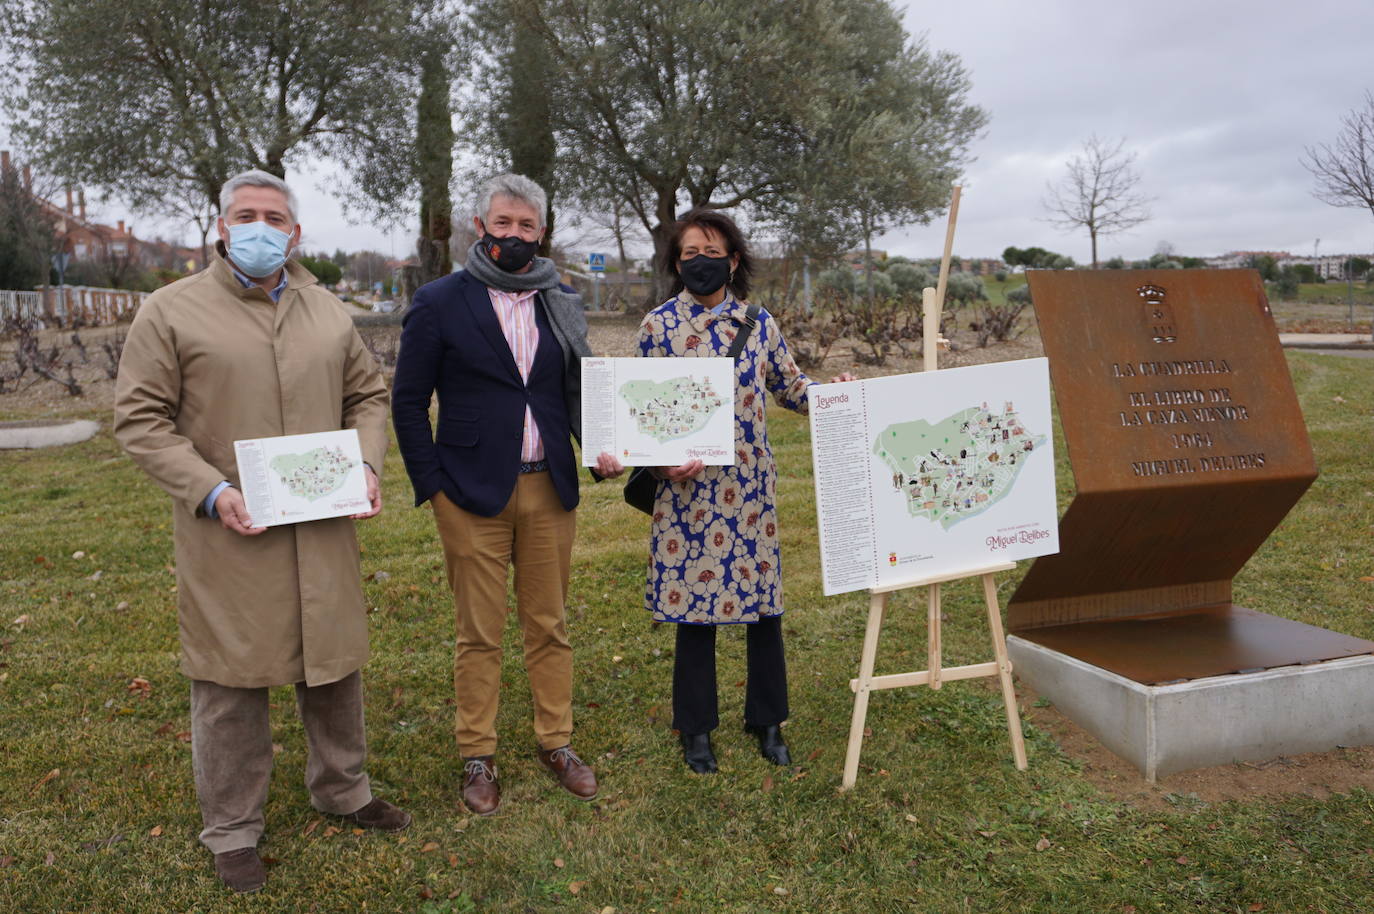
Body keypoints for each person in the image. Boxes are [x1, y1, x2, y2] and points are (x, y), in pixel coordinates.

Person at [113, 169, 409, 894]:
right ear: (221, 226)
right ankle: (233, 827)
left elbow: (366, 395)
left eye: (274, 217)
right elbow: (141, 421)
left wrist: (366, 465)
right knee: (229, 676)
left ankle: (343, 787)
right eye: (245, 215)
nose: (260, 228)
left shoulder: (326, 310)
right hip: (229, 530)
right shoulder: (171, 311)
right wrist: (210, 492)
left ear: (295, 232)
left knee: (333, 660)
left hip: (321, 521)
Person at [392, 173, 623, 816]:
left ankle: (557, 742)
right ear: (481, 227)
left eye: (527, 226)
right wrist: (432, 487)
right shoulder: (440, 300)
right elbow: (409, 404)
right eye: (503, 224)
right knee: (479, 631)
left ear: (541, 231)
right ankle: (478, 754)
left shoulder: (562, 298)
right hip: (469, 494)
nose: (515, 236)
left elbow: (575, 389)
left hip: (547, 486)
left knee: (549, 623)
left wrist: (601, 450)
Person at [638, 208, 854, 774]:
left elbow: (791, 387)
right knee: (694, 612)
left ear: (733, 260)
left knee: (762, 609)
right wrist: (661, 465)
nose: (701, 263)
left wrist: (838, 396)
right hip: (685, 495)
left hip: (748, 490)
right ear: (676, 262)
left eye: (712, 253)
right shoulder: (657, 327)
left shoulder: (759, 325)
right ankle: (696, 729)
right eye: (690, 255)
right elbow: (639, 414)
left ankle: (767, 721)